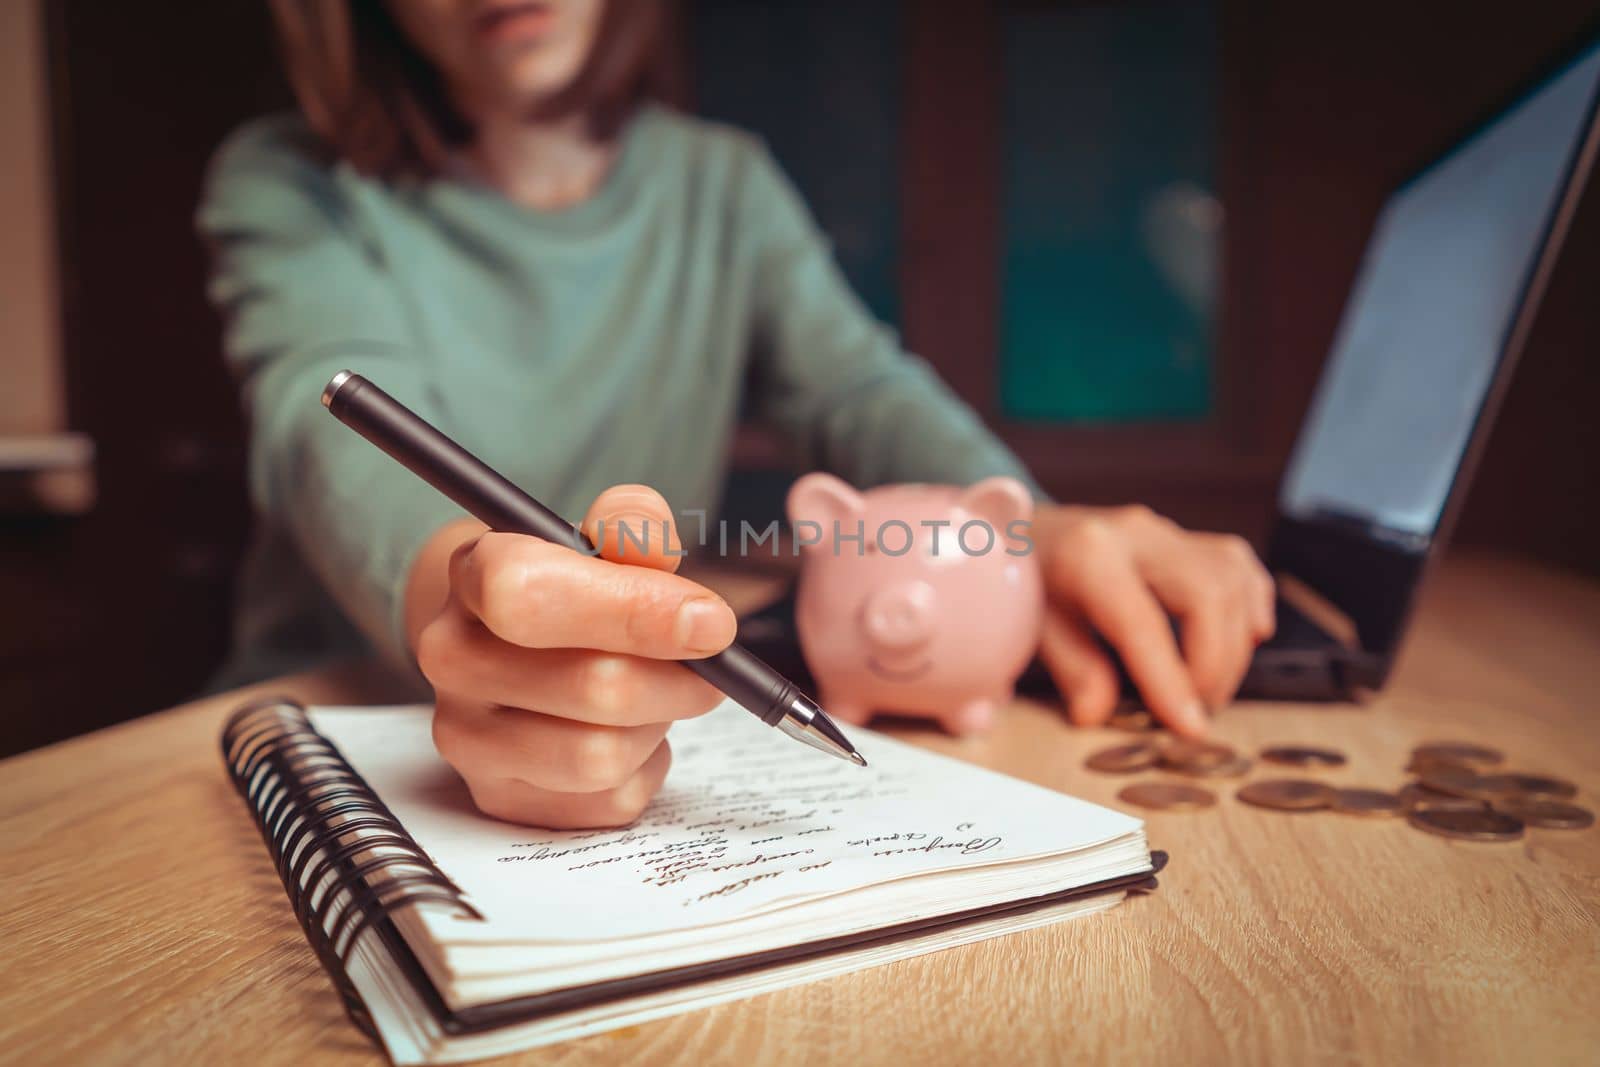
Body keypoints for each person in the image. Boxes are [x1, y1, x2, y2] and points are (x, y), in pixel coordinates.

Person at [199, 0, 1274, 829]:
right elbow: (327, 432)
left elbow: (859, 391)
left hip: (647, 732)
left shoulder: (721, 185)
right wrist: (477, 603)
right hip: (311, 736)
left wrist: (1034, 529)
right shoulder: (290, 181)